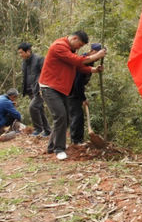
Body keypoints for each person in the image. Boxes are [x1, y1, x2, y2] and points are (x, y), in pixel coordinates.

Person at [39, 31, 107, 161]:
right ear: (74, 38)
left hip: (62, 89)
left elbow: (77, 66)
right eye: (79, 44)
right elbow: (76, 60)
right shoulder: (59, 46)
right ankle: (59, 149)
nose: (79, 48)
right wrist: (96, 56)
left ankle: (51, 146)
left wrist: (93, 69)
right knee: (60, 116)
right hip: (50, 87)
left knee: (64, 118)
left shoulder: (69, 49)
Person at [68, 43, 102, 145]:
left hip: (76, 92)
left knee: (79, 116)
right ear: (92, 51)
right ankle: (75, 141)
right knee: (76, 116)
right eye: (97, 54)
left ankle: (79, 140)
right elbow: (77, 82)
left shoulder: (90, 63)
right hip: (72, 92)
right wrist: (83, 98)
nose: (97, 57)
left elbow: (81, 83)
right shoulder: (84, 61)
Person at [18, 42, 51, 137]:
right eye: (19, 53)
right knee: (39, 109)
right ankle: (48, 130)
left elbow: (45, 73)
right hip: (30, 90)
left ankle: (38, 129)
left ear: (28, 51)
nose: (20, 55)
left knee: (32, 107)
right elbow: (25, 77)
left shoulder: (39, 59)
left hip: (39, 90)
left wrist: (41, 87)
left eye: (21, 53)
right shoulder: (24, 62)